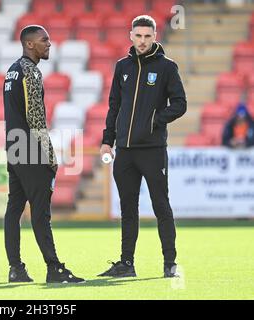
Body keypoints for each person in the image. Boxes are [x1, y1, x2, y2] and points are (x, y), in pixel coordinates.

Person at [98, 15, 187, 278]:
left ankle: (170, 263)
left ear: (155, 36)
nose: (143, 41)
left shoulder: (167, 67)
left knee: (161, 205)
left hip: (152, 150)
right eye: (138, 35)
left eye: (147, 36)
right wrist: (107, 140)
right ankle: (127, 264)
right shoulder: (122, 66)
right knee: (128, 209)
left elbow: (180, 104)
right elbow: (114, 106)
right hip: (124, 152)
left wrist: (155, 120)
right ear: (131, 35)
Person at [3, 25, 84, 283]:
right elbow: (36, 119)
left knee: (14, 211)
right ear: (29, 44)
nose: (49, 44)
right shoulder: (30, 72)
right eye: (44, 40)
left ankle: (16, 268)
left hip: (14, 148)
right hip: (31, 150)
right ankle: (54, 269)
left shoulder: (11, 71)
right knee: (41, 213)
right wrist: (50, 155)